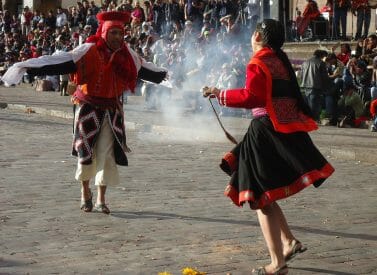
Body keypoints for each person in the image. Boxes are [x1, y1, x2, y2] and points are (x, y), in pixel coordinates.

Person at [1, 11, 167, 214]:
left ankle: (101, 199)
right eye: (113, 32)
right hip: (87, 108)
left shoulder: (128, 55)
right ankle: (84, 192)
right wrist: (27, 66)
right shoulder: (87, 50)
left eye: (120, 33)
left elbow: (148, 70)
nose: (117, 37)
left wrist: (171, 78)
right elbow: (60, 61)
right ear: (105, 32)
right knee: (85, 152)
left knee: (107, 154)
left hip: (112, 110)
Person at [202, 19, 334, 275]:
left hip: (264, 131)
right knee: (267, 194)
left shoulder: (259, 61)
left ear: (259, 36)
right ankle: (288, 241)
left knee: (260, 198)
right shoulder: (279, 60)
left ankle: (277, 263)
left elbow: (253, 97)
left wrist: (220, 93)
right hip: (278, 129)